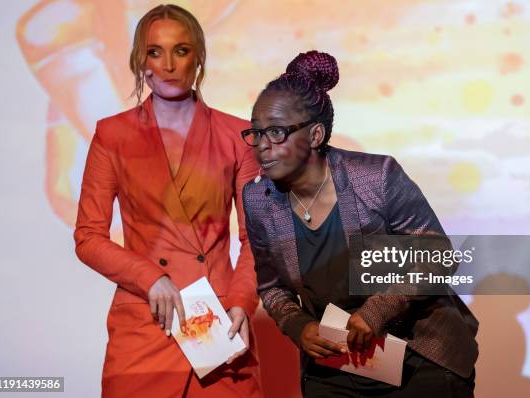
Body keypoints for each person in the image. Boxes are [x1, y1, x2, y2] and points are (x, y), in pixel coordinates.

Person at [241, 50, 478, 397]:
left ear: (316, 135)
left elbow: (437, 253)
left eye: (276, 132)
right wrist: (298, 325)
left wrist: (376, 310)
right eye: (256, 133)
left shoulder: (376, 177)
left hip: (419, 358)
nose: (262, 146)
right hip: (337, 366)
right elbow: (272, 287)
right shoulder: (258, 201)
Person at [74, 4, 262, 397]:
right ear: (139, 60)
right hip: (145, 321)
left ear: (199, 57)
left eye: (181, 50)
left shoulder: (238, 136)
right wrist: (150, 278)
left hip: (219, 322)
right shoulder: (112, 136)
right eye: (154, 51)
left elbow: (256, 238)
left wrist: (242, 302)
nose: (168, 64)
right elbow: (88, 237)